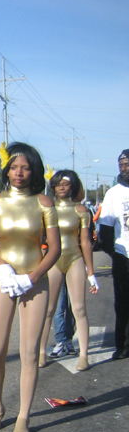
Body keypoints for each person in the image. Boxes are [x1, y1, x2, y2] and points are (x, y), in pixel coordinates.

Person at [0, 142, 61, 432]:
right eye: (14, 167)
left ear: (33, 170)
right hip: (3, 280)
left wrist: (33, 276)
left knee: (29, 353)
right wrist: (2, 265)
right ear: (6, 170)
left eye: (25, 167)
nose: (19, 173)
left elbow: (55, 248)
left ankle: (23, 415)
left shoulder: (44, 203)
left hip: (34, 283)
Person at [38, 171, 97, 371]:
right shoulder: (47, 209)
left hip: (75, 258)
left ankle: (84, 355)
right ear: (53, 187)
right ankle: (40, 353)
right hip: (53, 260)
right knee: (48, 309)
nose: (62, 187)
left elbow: (85, 241)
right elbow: (39, 238)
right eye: (58, 184)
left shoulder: (81, 210)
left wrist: (91, 272)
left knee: (79, 308)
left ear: (73, 186)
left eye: (66, 184)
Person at [97, 149, 129, 360]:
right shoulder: (114, 193)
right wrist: (114, 253)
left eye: (127, 164)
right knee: (123, 304)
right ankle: (123, 346)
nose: (124, 168)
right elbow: (105, 231)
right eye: (121, 165)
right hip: (123, 257)